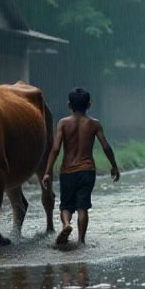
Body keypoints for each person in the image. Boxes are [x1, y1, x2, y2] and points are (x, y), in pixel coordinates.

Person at [42, 87, 120, 245]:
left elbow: (56, 148)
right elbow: (106, 146)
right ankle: (81, 241)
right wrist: (114, 166)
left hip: (67, 171)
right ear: (89, 105)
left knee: (66, 205)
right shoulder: (94, 124)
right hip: (87, 171)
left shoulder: (63, 123)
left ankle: (66, 224)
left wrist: (47, 171)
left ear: (69, 105)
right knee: (82, 207)